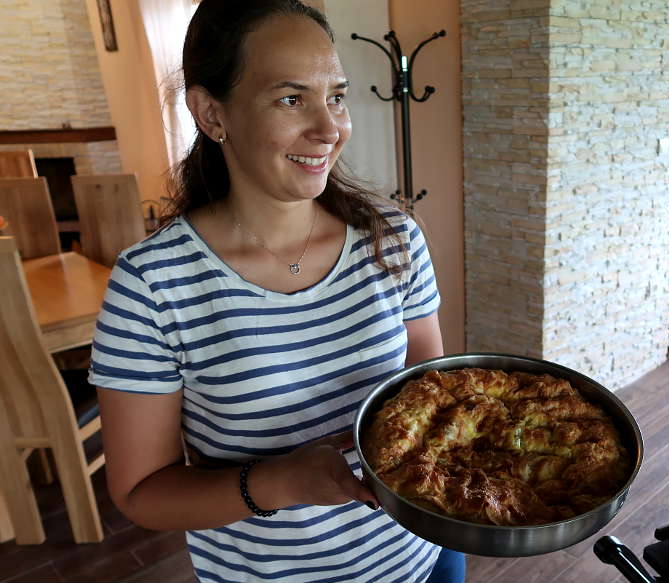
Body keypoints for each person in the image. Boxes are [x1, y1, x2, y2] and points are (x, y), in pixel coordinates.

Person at [89, 1, 466, 581]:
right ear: (212, 113)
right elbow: (142, 491)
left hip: (423, 555)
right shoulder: (152, 285)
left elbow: (431, 390)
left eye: (336, 97)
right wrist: (283, 482)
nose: (329, 128)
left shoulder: (392, 239)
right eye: (291, 99)